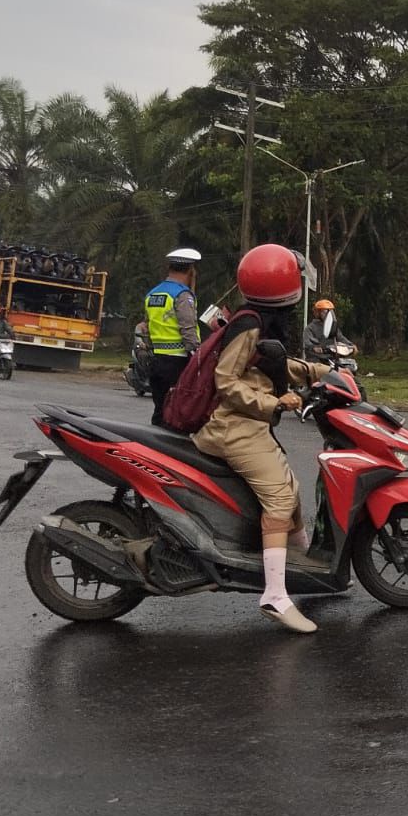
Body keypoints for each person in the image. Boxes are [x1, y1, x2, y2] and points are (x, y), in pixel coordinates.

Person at [192, 243, 330, 634]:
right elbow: (226, 380)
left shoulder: (259, 321)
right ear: (283, 285)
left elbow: (271, 363)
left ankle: (306, 571)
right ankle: (274, 594)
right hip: (234, 428)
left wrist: (322, 372)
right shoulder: (249, 325)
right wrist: (273, 402)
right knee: (280, 499)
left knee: (292, 489)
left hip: (249, 425)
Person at [144, 248, 202, 428]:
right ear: (190, 271)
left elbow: (147, 326)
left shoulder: (153, 293)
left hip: (156, 360)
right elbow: (188, 328)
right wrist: (198, 356)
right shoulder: (182, 295)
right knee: (175, 414)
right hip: (178, 362)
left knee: (159, 411)